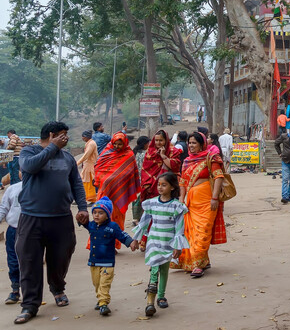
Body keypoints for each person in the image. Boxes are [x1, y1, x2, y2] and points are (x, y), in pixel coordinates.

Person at [14, 121, 89, 325]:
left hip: (61, 217)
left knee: (62, 256)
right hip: (32, 217)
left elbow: (76, 183)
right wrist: (53, 147)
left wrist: (82, 207)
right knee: (29, 262)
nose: (66, 139)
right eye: (62, 135)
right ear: (51, 134)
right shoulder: (28, 152)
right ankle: (30, 305)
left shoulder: (67, 158)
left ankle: (57, 288)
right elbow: (30, 167)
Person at [133, 172, 189, 318]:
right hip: (153, 242)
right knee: (154, 268)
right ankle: (151, 298)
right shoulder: (151, 203)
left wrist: (178, 246)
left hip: (168, 243)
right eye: (159, 184)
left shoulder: (177, 207)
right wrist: (135, 239)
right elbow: (143, 223)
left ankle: (161, 296)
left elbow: (179, 228)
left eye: (164, 185)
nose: (160, 187)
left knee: (164, 270)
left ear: (172, 187)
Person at [172, 131, 226, 278]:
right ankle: (202, 261)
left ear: (202, 144)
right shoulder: (187, 161)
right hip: (190, 201)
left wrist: (215, 198)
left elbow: (219, 177)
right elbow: (182, 182)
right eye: (190, 143)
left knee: (203, 231)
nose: (191, 145)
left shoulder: (211, 157)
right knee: (190, 232)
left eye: (194, 143)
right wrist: (181, 200)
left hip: (207, 200)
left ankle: (197, 264)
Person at [79, 197, 138, 316]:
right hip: (94, 261)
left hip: (108, 262)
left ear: (107, 215)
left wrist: (131, 242)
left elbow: (122, 235)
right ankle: (100, 299)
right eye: (94, 212)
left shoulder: (112, 226)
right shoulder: (92, 225)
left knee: (104, 283)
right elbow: (84, 222)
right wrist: (80, 218)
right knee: (97, 283)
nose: (96, 215)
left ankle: (103, 304)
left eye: (100, 213)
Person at [93, 132, 141, 247]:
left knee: (116, 219)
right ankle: (100, 244)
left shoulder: (129, 155)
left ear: (124, 143)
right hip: (104, 193)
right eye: (115, 144)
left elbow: (131, 173)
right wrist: (106, 180)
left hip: (120, 193)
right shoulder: (106, 154)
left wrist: (116, 178)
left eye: (120, 144)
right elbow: (98, 168)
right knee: (101, 217)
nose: (117, 147)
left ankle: (113, 244)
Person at [139, 131, 182, 213]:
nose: (158, 143)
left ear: (166, 140)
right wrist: (147, 185)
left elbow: (174, 167)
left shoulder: (173, 151)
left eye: (161, 140)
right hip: (151, 187)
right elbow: (145, 170)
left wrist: (163, 156)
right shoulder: (150, 152)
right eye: (156, 140)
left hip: (169, 186)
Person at [0, 171, 22, 305]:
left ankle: (32, 293)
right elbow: (4, 207)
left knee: (31, 262)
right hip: (13, 230)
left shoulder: (41, 188)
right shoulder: (12, 189)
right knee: (13, 261)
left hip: (32, 231)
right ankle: (15, 290)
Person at [131, 136, 150, 225]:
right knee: (140, 199)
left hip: (135, 179)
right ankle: (137, 218)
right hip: (142, 179)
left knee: (135, 199)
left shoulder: (134, 153)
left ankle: (135, 217)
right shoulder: (145, 155)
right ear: (145, 144)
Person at [76, 130, 98, 205]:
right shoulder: (89, 143)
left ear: (85, 137)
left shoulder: (91, 144)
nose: (82, 138)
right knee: (84, 182)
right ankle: (82, 198)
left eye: (83, 136)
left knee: (89, 183)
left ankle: (92, 199)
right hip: (87, 165)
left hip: (89, 165)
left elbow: (86, 155)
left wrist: (77, 163)